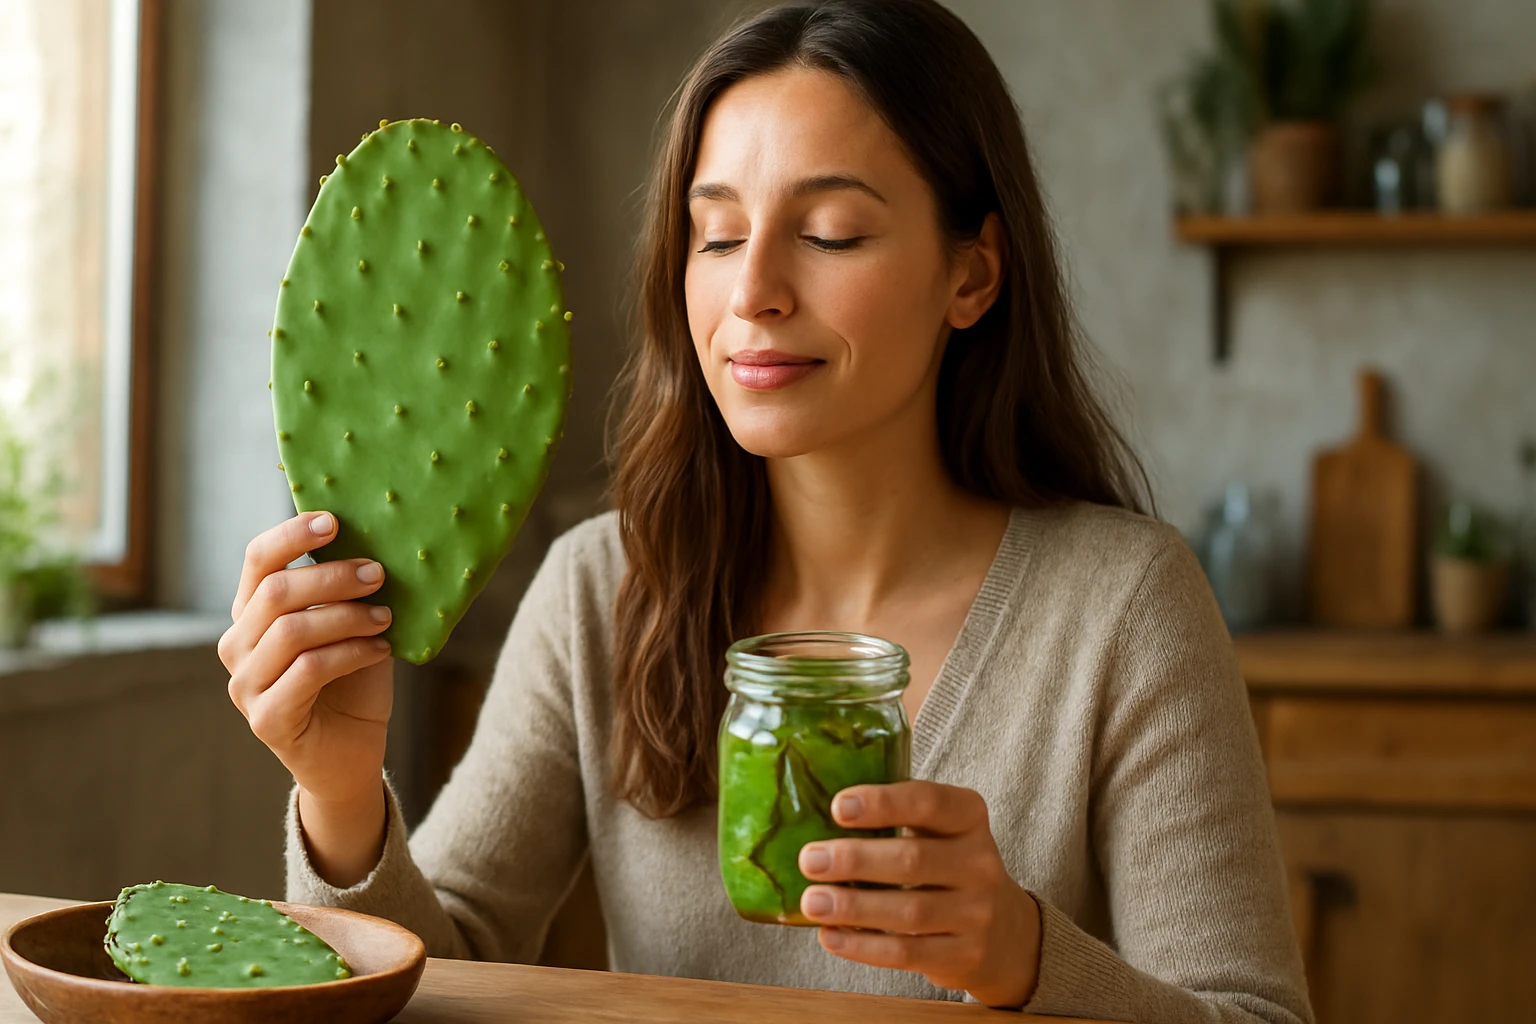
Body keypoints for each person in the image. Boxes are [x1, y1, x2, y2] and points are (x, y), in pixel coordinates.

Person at [218, 1, 1311, 1019]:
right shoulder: (599, 589)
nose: (752, 294)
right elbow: (436, 971)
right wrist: (341, 793)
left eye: (830, 233)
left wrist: (1025, 953)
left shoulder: (1124, 605)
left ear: (972, 277)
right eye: (718, 235)